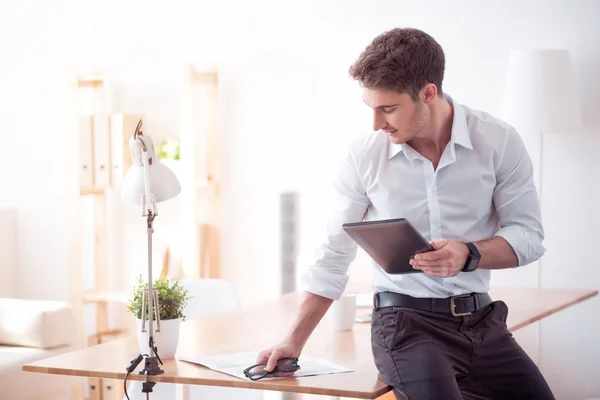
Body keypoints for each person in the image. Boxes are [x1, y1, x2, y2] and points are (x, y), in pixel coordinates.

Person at [256, 27, 556, 400]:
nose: (377, 124)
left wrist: (467, 254)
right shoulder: (365, 156)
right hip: (406, 326)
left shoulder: (497, 141)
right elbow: (332, 256)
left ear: (428, 93)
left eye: (388, 108)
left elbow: (529, 236)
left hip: (482, 322)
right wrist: (292, 341)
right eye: (372, 109)